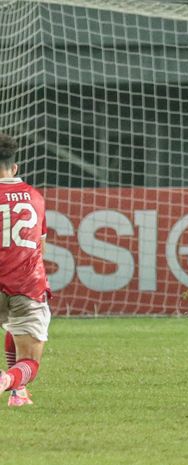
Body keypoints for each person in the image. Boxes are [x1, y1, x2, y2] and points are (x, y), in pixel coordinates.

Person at [0, 133, 51, 407]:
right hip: (26, 286)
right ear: (15, 167)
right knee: (31, 361)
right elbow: (39, 250)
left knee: (12, 324)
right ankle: (9, 381)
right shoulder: (35, 198)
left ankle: (17, 394)